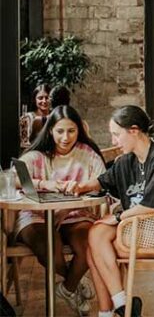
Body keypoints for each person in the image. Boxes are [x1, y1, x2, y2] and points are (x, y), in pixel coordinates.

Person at [73, 106, 154, 317]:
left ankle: (113, 310)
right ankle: (118, 305)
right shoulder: (128, 161)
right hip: (138, 225)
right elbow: (102, 182)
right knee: (95, 237)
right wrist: (80, 187)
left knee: (96, 244)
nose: (113, 141)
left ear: (134, 130)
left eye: (116, 134)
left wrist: (117, 216)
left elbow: (151, 205)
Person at [16, 105, 105, 315]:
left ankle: (66, 289)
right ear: (50, 131)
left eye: (71, 131)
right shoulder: (36, 155)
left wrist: (67, 209)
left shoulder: (88, 154)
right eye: (60, 131)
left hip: (76, 214)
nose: (66, 137)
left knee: (88, 247)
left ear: (79, 130)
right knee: (50, 249)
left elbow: (102, 184)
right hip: (34, 215)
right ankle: (74, 281)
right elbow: (14, 179)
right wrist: (45, 183)